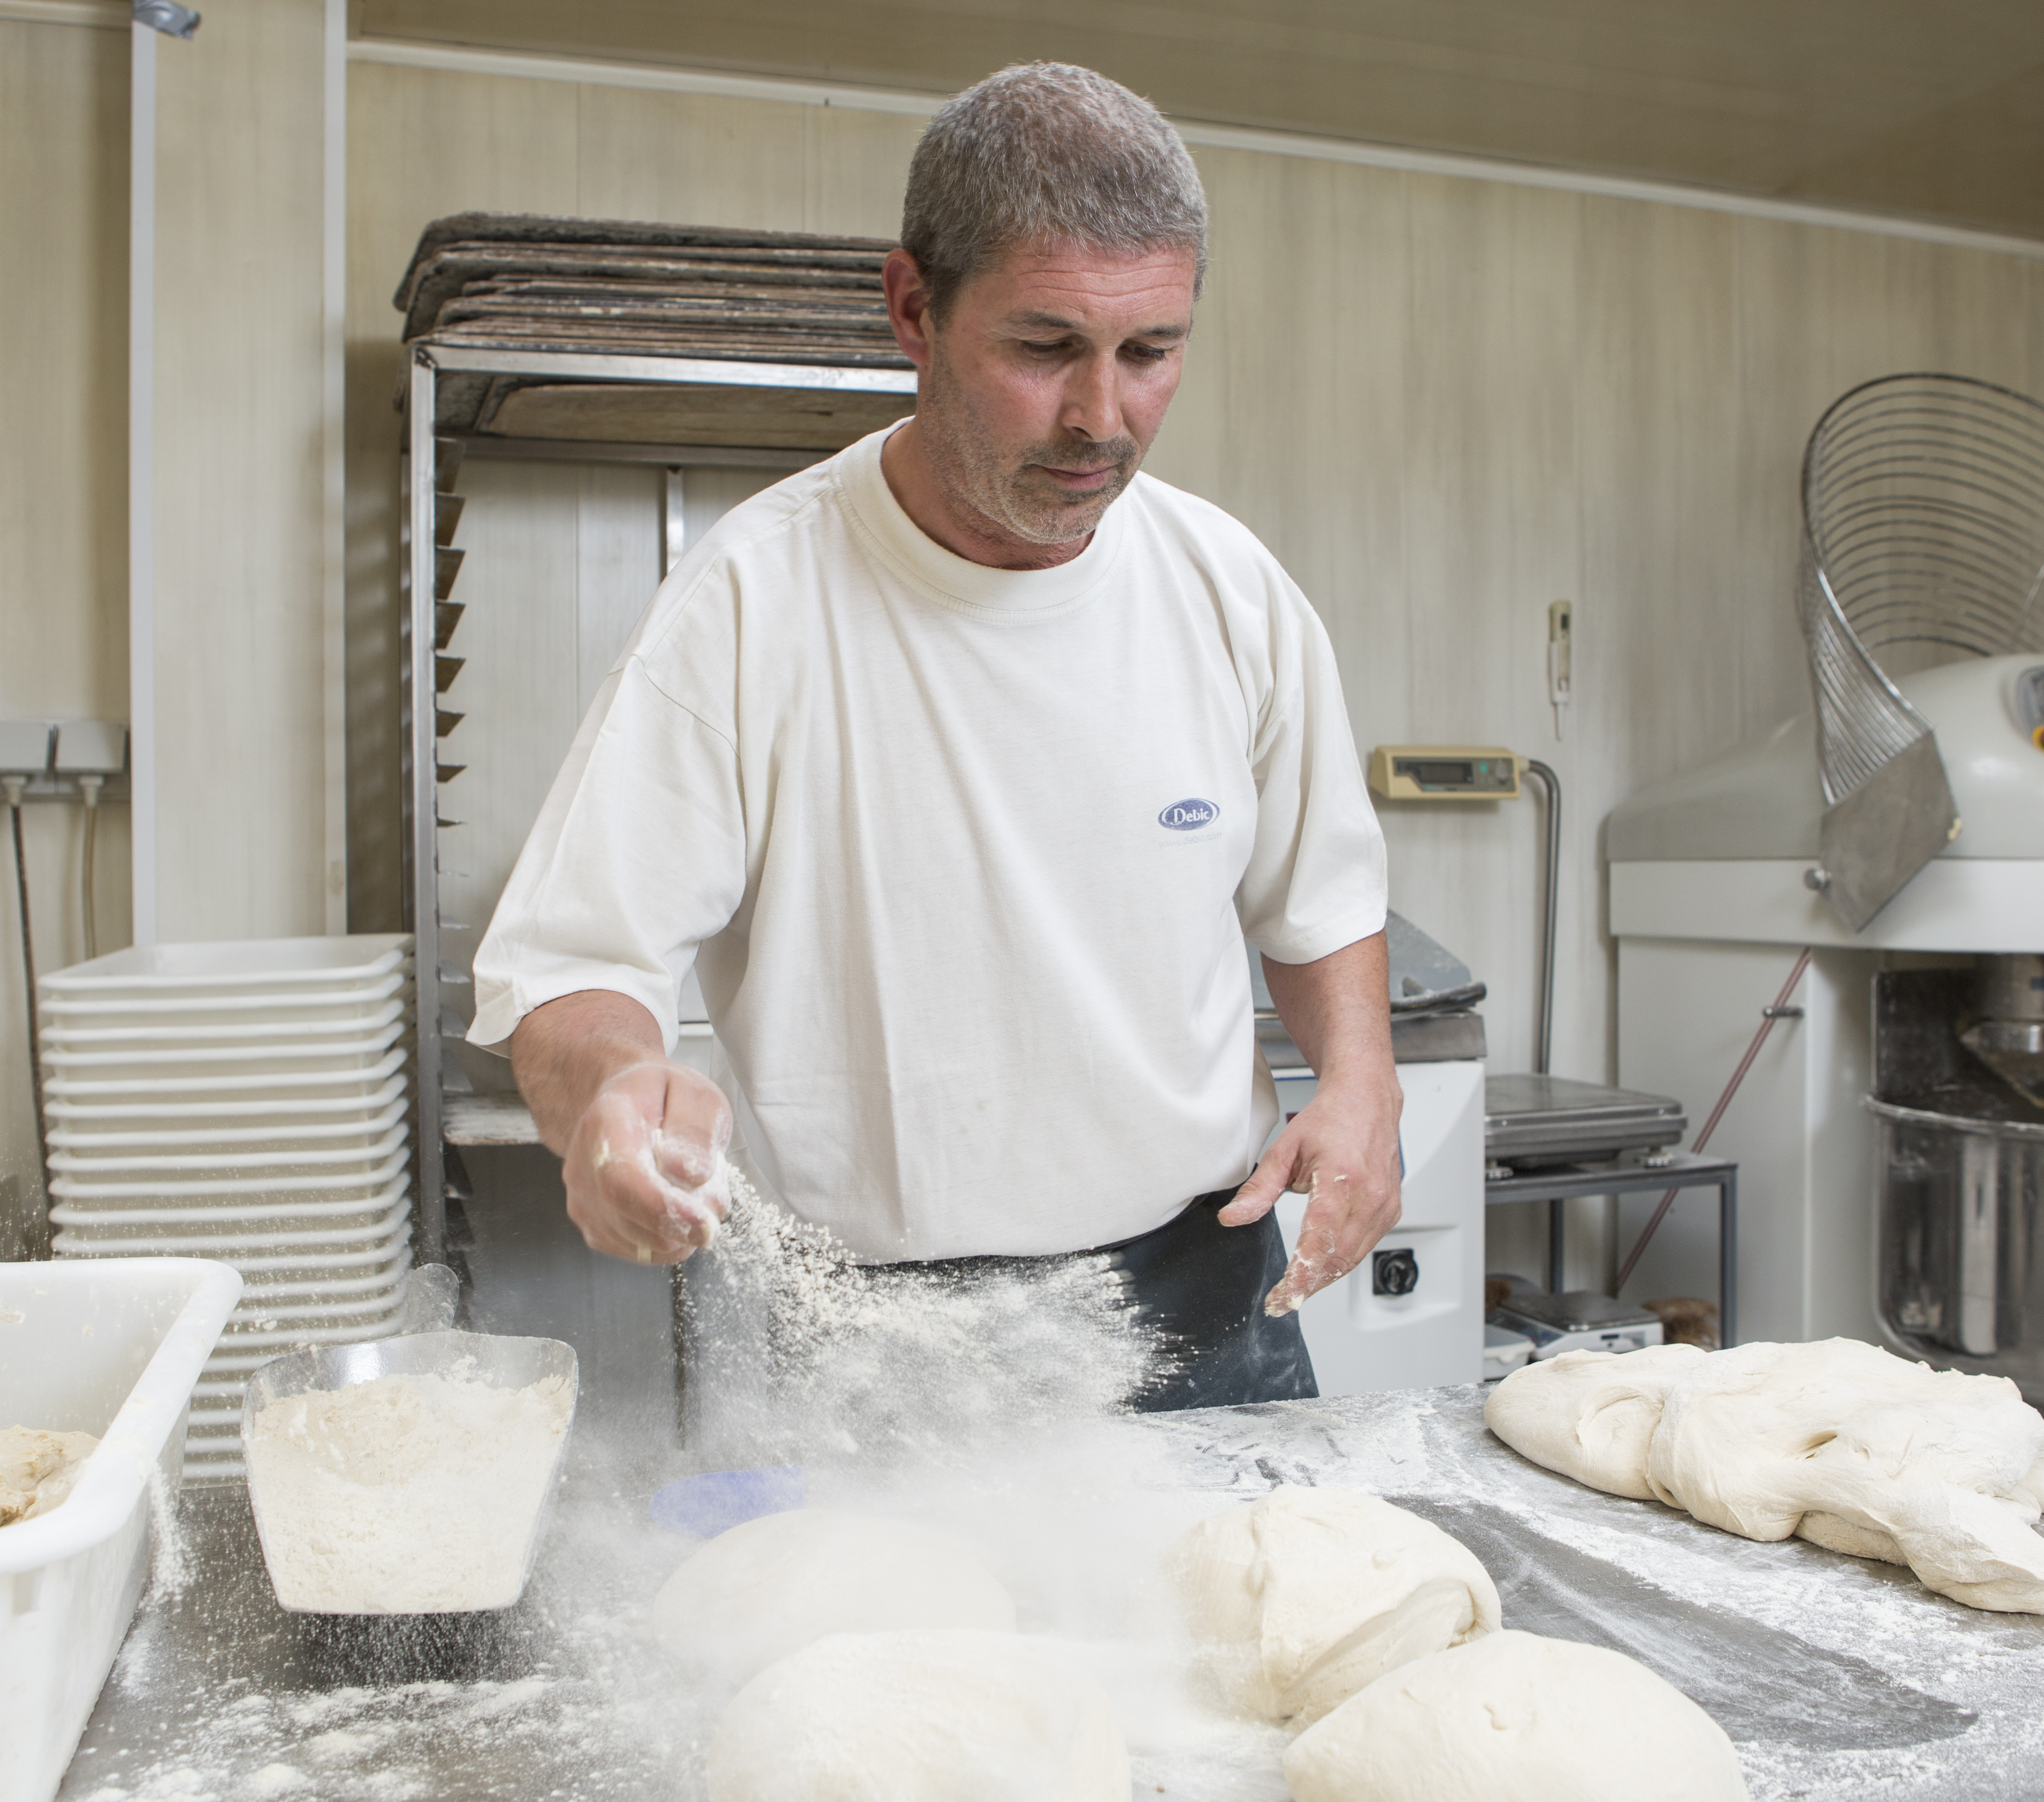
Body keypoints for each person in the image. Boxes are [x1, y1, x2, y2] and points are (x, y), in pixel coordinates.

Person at [468, 62, 1400, 1411]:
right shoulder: (750, 601)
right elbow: (571, 968)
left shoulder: (1229, 589)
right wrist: (614, 1088)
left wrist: (1363, 1085)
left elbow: (1323, 904)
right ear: (911, 307)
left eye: (1149, 353)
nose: (1101, 418)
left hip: (1206, 1294)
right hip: (865, 1332)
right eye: (1044, 348)